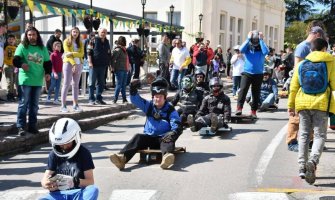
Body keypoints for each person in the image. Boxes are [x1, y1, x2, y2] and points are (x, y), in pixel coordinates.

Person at [287, 38, 335, 184]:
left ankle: (302, 167)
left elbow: (294, 86)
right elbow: (333, 85)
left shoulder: (301, 64)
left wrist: (291, 105)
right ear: (324, 49)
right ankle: (313, 161)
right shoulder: (330, 62)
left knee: (304, 135)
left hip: (302, 103)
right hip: (321, 103)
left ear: (311, 49)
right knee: (320, 135)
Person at [109, 77, 183, 170]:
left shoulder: (170, 109)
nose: (158, 99)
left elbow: (177, 124)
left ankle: (166, 158)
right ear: (153, 97)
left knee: (168, 140)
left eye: (160, 96)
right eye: (156, 96)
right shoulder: (149, 106)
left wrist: (173, 133)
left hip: (163, 138)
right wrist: (132, 88)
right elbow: (137, 100)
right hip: (149, 137)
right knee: (138, 137)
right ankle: (122, 158)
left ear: (165, 97)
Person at [286, 22, 326, 152]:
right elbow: (297, 67)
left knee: (312, 114)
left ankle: (311, 142)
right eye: (321, 37)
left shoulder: (314, 46)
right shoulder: (303, 46)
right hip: (301, 85)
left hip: (313, 85)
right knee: (296, 116)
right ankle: (292, 141)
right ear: (317, 35)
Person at [40, 118, 99, 200]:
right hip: (59, 194)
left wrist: (75, 181)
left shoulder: (84, 153)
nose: (64, 147)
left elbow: (90, 181)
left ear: (76, 138)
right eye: (61, 144)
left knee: (93, 190)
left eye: (67, 143)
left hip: (78, 193)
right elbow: (44, 179)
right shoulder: (53, 154)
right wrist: (46, 184)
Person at [13, 26, 52, 136]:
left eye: (33, 34)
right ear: (26, 36)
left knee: (34, 105)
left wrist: (48, 73)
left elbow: (47, 63)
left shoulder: (42, 48)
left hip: (38, 80)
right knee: (23, 104)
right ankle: (20, 126)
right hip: (25, 80)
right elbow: (15, 60)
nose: (31, 37)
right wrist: (21, 64)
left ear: (37, 35)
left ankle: (32, 126)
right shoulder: (22, 46)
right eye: (29, 35)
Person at [235, 30, 269, 118]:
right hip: (247, 73)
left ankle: (253, 111)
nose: (255, 41)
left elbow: (266, 52)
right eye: (253, 40)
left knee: (256, 93)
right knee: (243, 90)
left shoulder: (261, 47)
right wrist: (247, 39)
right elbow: (241, 50)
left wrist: (261, 40)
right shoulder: (247, 47)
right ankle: (239, 108)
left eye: (256, 40)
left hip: (258, 74)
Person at [60, 27, 84, 113]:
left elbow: (81, 54)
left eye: (77, 32)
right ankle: (63, 105)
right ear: (71, 32)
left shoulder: (80, 42)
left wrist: (72, 53)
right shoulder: (66, 41)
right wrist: (73, 63)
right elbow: (67, 54)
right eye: (74, 32)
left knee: (76, 85)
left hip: (79, 64)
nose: (75, 33)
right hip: (68, 64)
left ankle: (75, 104)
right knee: (66, 84)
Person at [87, 27, 111, 105]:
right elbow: (89, 52)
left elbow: (108, 52)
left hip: (103, 65)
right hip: (94, 65)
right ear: (99, 33)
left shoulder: (107, 42)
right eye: (102, 32)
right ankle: (91, 99)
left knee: (101, 83)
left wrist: (109, 64)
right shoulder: (93, 40)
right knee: (92, 83)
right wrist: (90, 62)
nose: (103, 34)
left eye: (105, 32)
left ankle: (98, 98)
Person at [111, 36, 129, 104]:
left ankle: (124, 99)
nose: (124, 42)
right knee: (119, 85)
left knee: (123, 85)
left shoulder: (124, 50)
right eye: (123, 41)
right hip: (119, 69)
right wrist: (112, 67)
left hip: (124, 69)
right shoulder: (118, 49)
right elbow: (113, 59)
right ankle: (115, 99)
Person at [3, 34, 17, 102]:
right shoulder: (5, 47)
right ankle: (9, 95)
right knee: (9, 81)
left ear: (14, 40)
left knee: (13, 81)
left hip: (14, 66)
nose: (11, 40)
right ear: (7, 40)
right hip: (7, 66)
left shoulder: (16, 47)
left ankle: (12, 94)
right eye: (9, 39)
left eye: (12, 39)